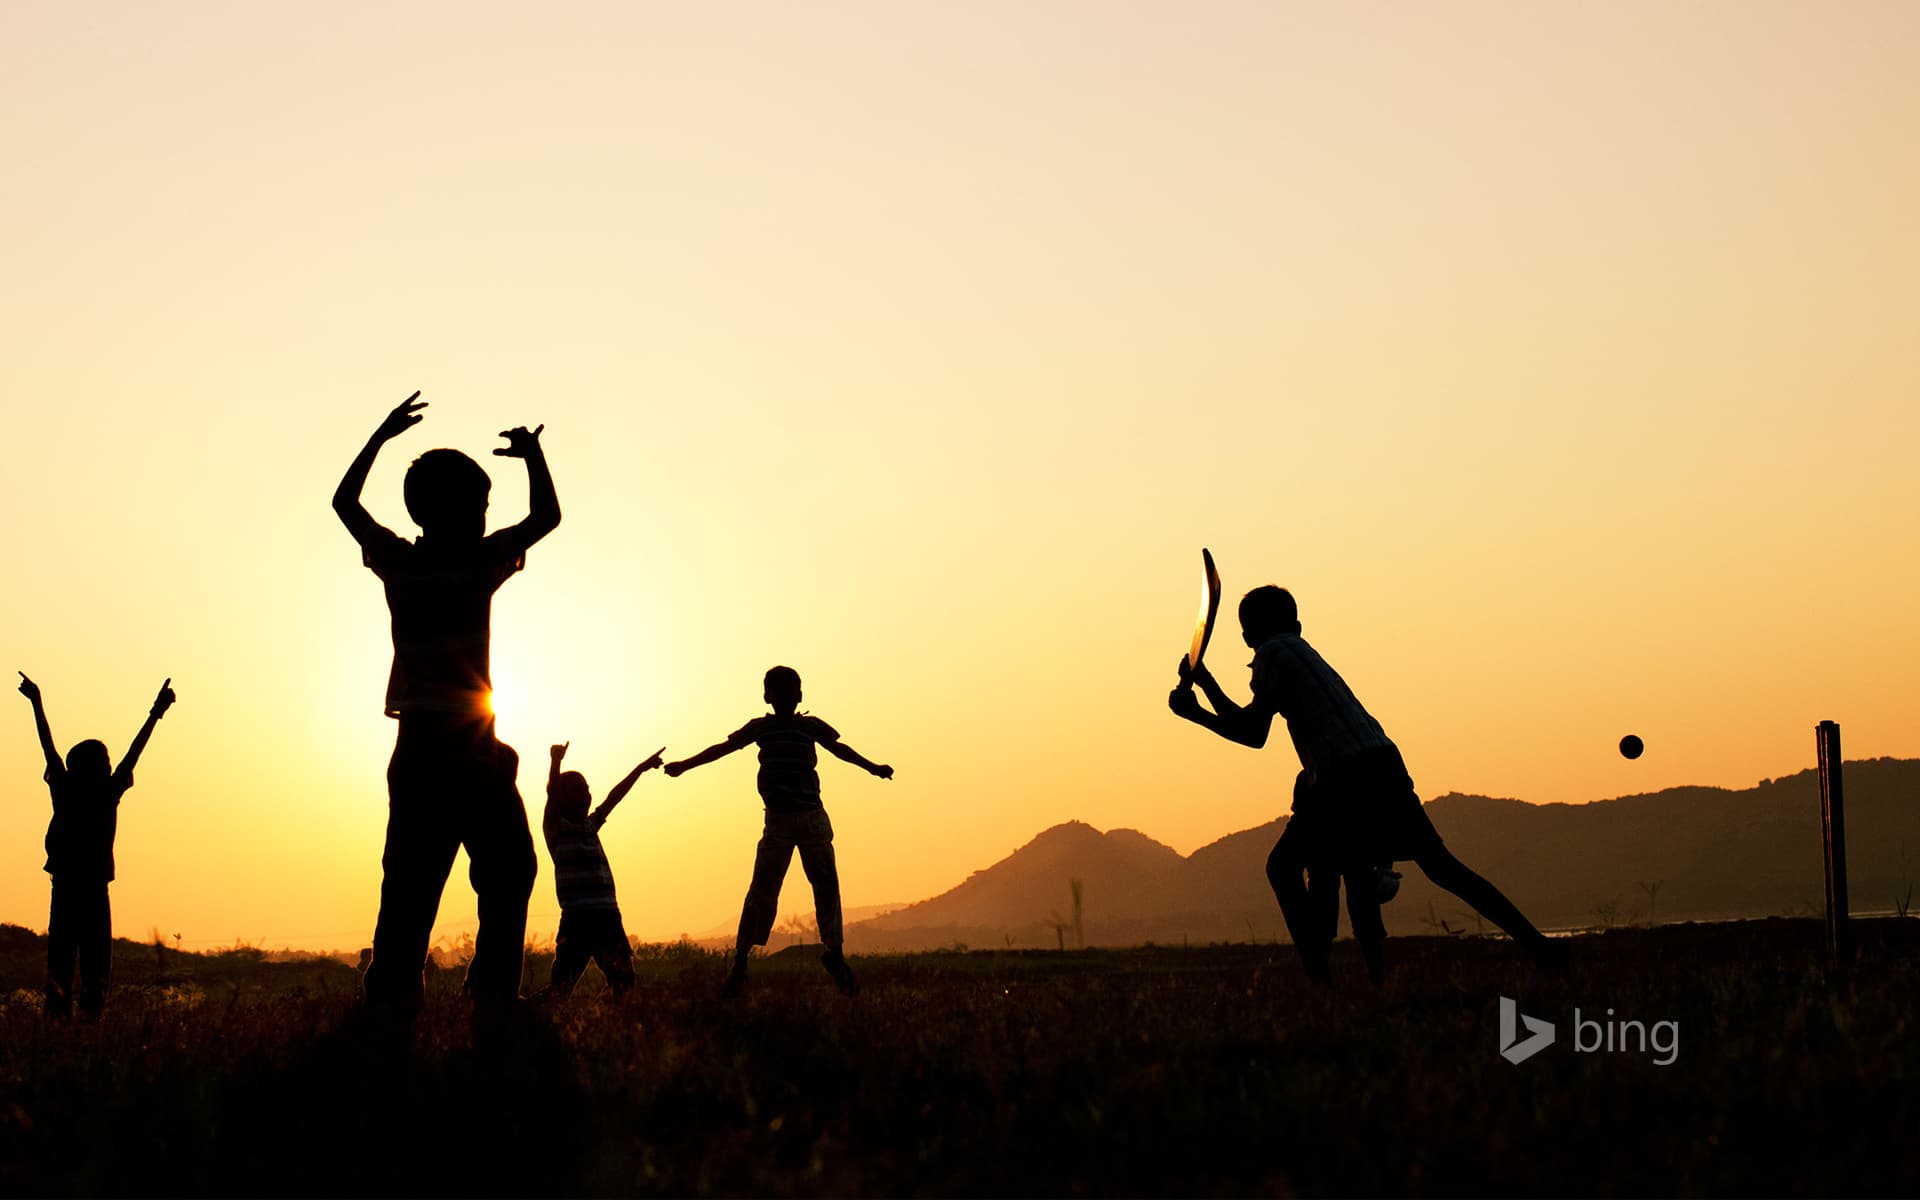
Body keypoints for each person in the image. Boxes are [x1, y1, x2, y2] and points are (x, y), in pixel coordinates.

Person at [1169, 585, 1560, 983]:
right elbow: (1253, 724)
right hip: (1381, 762)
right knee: (1443, 869)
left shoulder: (1273, 653)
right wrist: (1204, 682)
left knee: (1284, 867)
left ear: (1249, 635)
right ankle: (1539, 947)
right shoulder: (1300, 652)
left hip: (1345, 776)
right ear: (1297, 624)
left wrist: (1196, 712)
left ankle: (1321, 981)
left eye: (1246, 631)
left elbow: (1253, 733)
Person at [332, 391, 558, 1014]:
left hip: (420, 750)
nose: (488, 515)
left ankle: (392, 1000)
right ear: (461, 511)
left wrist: (379, 437)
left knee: (409, 887)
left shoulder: (400, 563)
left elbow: (343, 503)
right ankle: (491, 995)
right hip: (470, 748)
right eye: (483, 504)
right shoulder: (478, 560)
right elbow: (546, 519)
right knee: (509, 873)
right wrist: (535, 456)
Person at [665, 666, 892, 997]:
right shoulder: (761, 729)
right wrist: (685, 765)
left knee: (826, 885)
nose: (786, 698)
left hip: (812, 818)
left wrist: (873, 768)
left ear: (800, 696)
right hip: (779, 821)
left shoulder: (810, 727)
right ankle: (740, 963)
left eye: (791, 692)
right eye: (779, 692)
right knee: (763, 889)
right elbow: (721, 749)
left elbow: (840, 749)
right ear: (767, 697)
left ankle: (834, 954)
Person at [17, 671, 176, 1018]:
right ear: (89, 767)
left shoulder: (68, 788)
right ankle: (76, 1034)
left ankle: (66, 1035)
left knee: (73, 972)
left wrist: (37, 703)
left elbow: (50, 747)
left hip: (71, 892)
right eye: (103, 760)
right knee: (90, 974)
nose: (109, 764)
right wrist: (155, 713)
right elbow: (132, 754)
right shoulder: (102, 793)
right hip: (85, 893)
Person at [537, 741, 662, 1000]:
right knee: (561, 987)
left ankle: (600, 1019)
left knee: (624, 981)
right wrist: (555, 762)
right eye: (579, 790)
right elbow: (552, 796)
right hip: (577, 920)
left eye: (587, 789)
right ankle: (525, 1016)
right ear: (563, 797)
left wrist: (641, 769)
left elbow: (615, 796)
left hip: (607, 917)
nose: (586, 795)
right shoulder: (556, 829)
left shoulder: (590, 825)